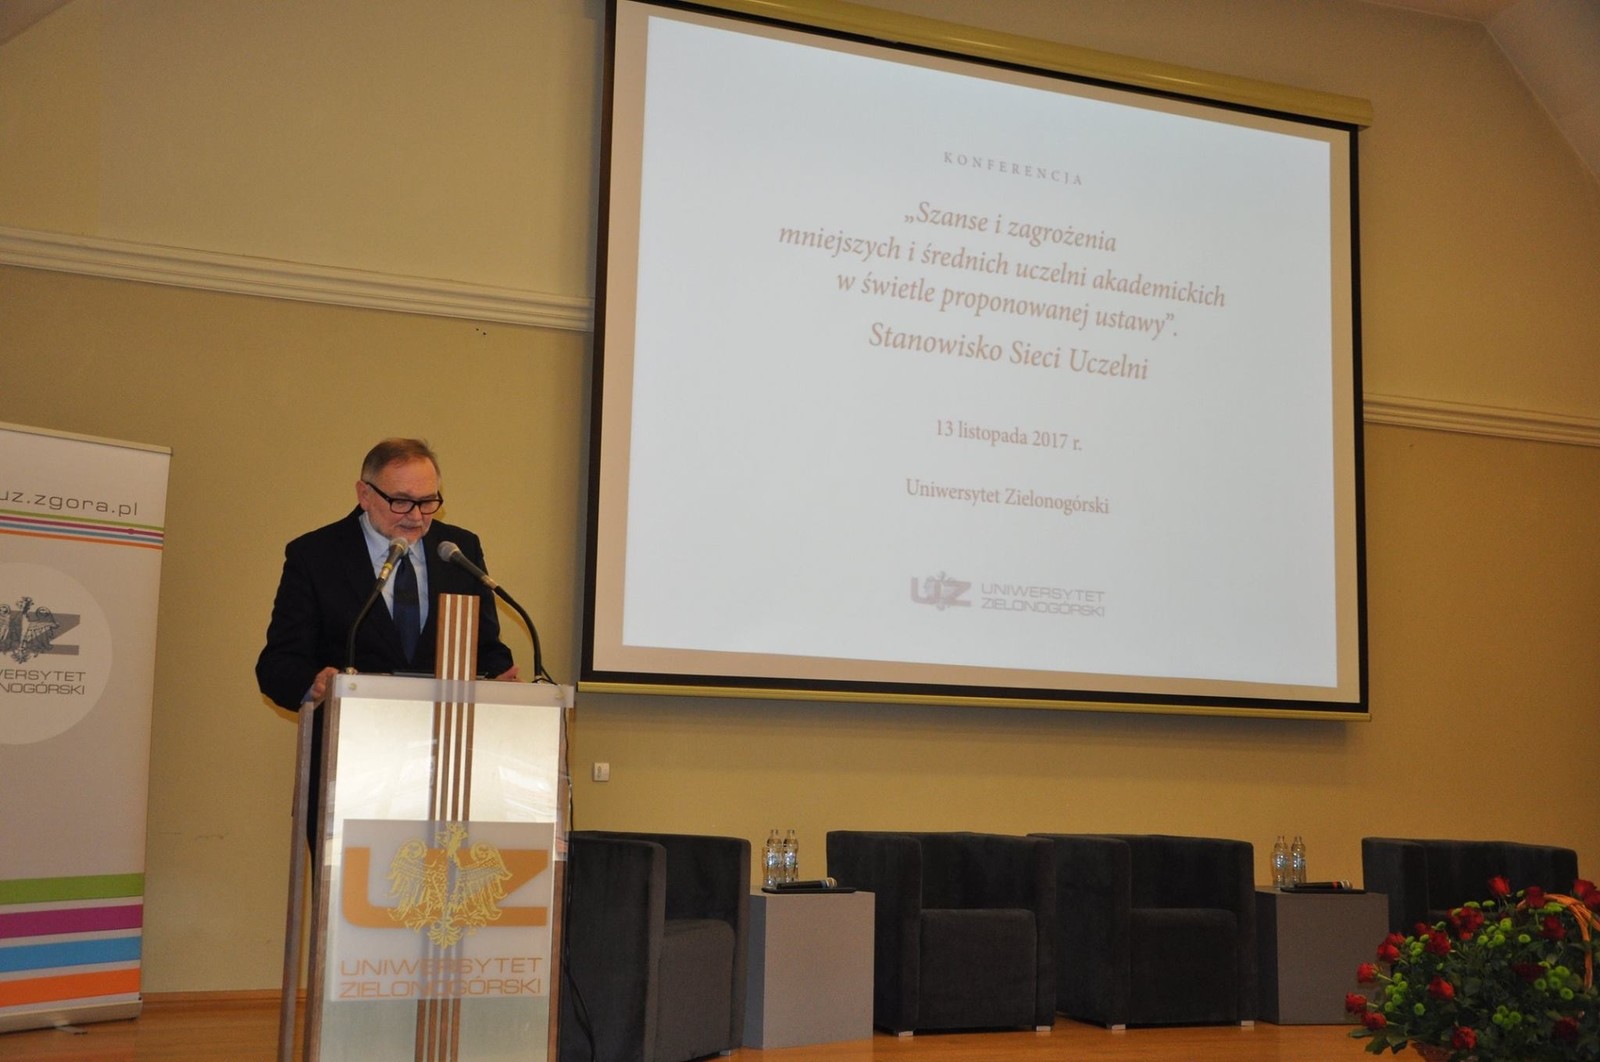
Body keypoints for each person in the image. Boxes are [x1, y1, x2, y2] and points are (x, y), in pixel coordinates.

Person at [256, 438, 517, 710]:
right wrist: (315, 684)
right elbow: (278, 664)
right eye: (401, 501)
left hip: (445, 728)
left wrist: (499, 681)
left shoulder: (459, 550)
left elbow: (486, 647)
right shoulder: (316, 555)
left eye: (428, 501)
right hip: (352, 729)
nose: (416, 516)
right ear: (365, 495)